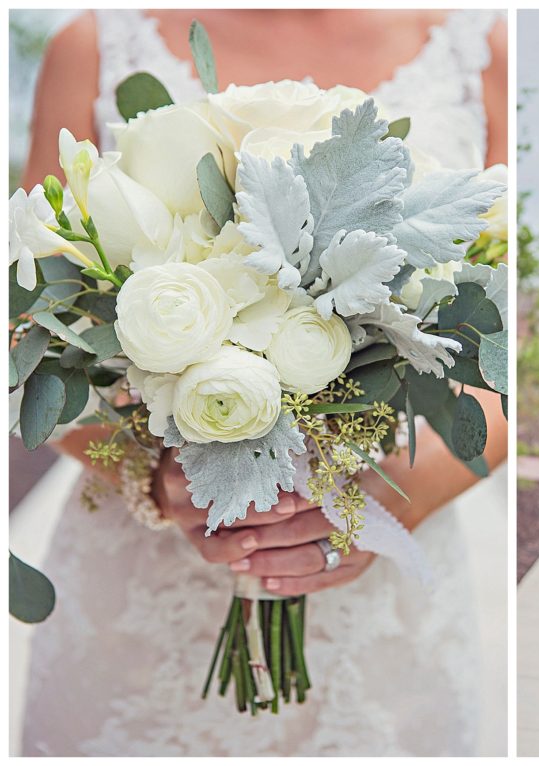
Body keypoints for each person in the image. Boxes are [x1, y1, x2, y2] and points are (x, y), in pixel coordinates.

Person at [17, 9, 507, 756]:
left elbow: (508, 354)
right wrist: (151, 479)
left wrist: (371, 507)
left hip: (387, 575)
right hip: (143, 591)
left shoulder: (483, 51)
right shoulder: (93, 42)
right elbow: (28, 322)